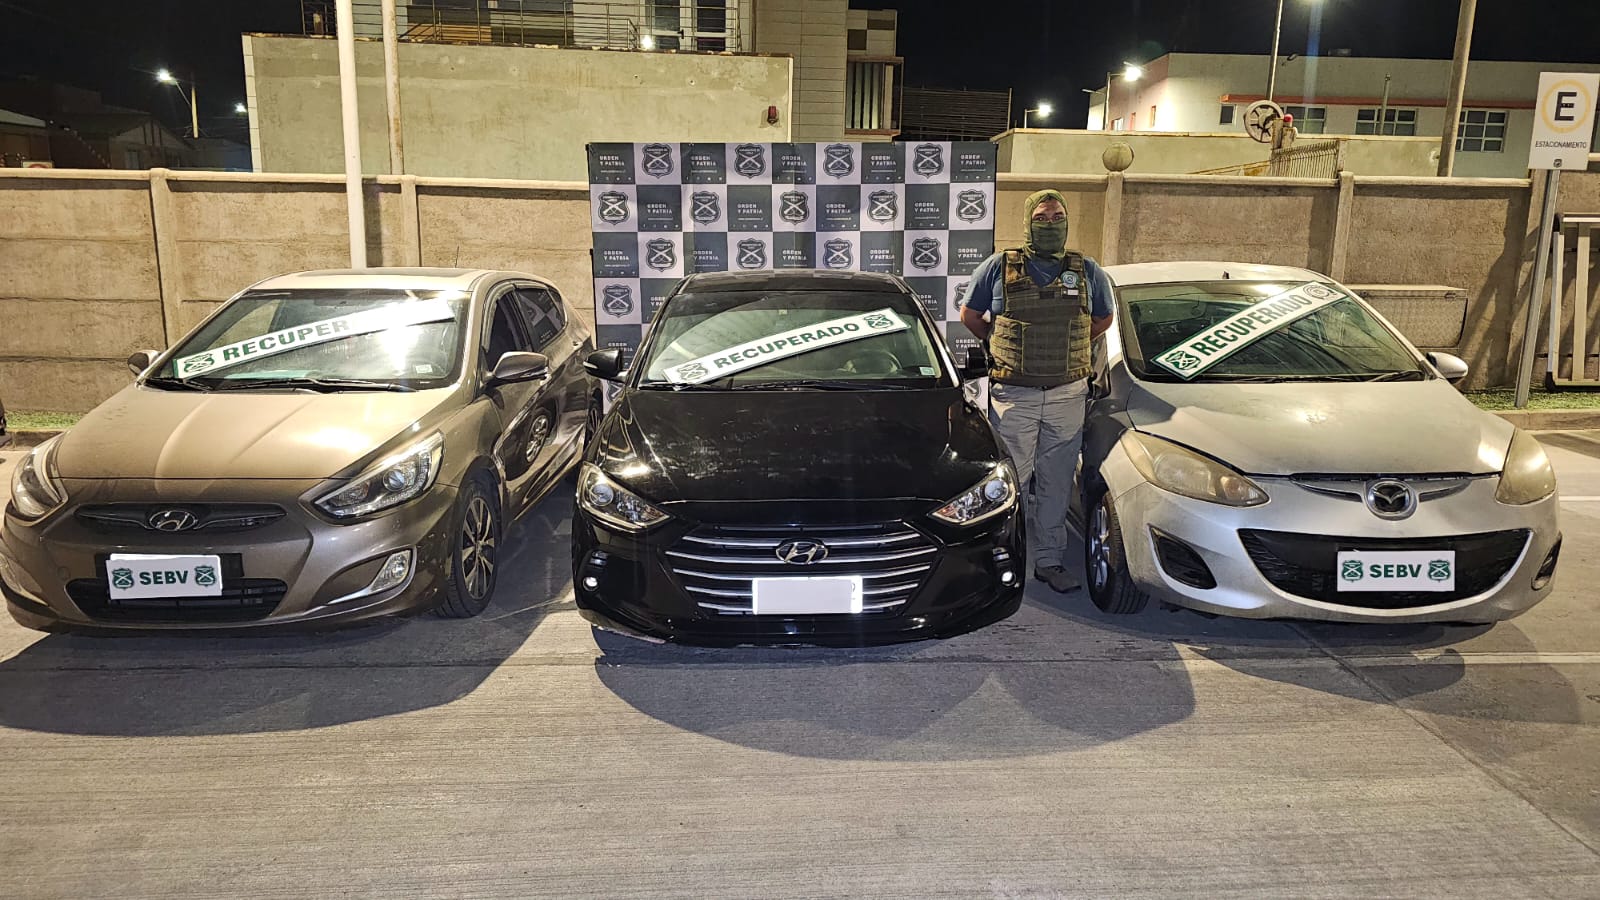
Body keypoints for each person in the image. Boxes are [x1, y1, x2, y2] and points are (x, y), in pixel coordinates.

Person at [959, 189, 1114, 593]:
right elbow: (970, 315)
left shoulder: (1087, 270)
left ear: (1067, 221)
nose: (1050, 224)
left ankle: (1048, 561)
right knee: (1010, 484)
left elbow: (1104, 318)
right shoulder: (999, 266)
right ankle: (1005, 559)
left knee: (1056, 483)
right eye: (1041, 218)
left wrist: (1070, 345)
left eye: (1057, 216)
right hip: (1015, 396)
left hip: (1067, 394)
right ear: (1028, 222)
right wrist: (1001, 342)